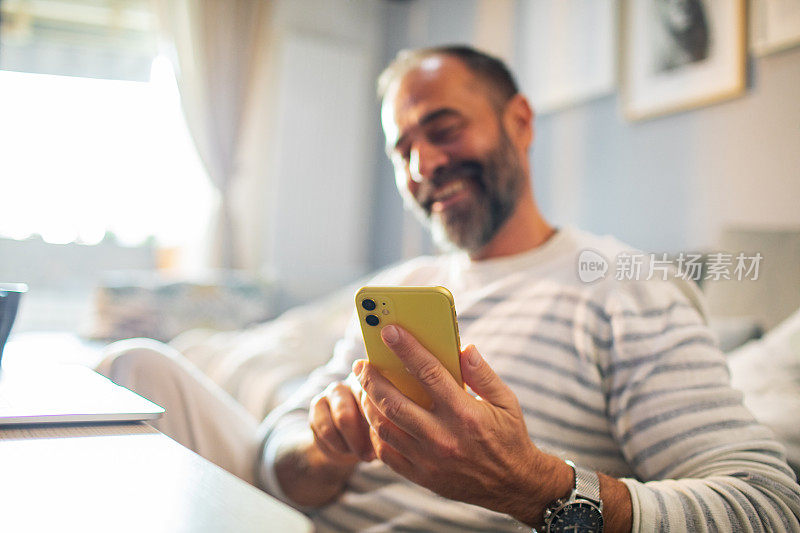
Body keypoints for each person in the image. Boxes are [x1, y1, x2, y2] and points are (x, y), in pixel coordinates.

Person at [99, 46, 800, 532]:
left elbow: (767, 506)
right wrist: (324, 452)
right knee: (135, 366)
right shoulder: (399, 289)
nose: (423, 164)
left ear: (519, 123)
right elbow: (275, 448)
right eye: (402, 149)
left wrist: (530, 483)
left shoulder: (622, 284)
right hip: (297, 517)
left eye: (443, 128)